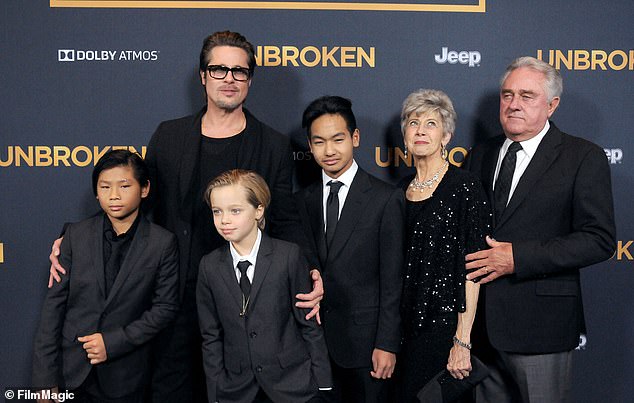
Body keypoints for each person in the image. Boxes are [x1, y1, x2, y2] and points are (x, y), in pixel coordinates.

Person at [47, 31, 323, 402]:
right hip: (171, 293)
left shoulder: (272, 144)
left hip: (244, 296)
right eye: (219, 69)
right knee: (171, 389)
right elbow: (137, 203)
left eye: (239, 71)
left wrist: (310, 270)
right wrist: (71, 238)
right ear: (203, 76)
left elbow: (286, 218)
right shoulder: (169, 135)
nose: (229, 78)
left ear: (250, 80)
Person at [463, 56, 616, 403]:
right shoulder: (481, 154)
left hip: (542, 329)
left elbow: (599, 239)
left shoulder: (582, 156)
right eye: (507, 95)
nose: (513, 104)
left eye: (526, 96)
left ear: (552, 105)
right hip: (481, 330)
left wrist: (517, 257)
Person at [32, 150, 179, 403]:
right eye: (105, 186)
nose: (114, 195)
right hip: (71, 373)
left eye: (124, 186)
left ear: (144, 189)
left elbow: (164, 308)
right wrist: (45, 381)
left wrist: (113, 343)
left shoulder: (162, 243)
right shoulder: (75, 236)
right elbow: (52, 310)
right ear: (96, 191)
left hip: (126, 376)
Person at [295, 96, 404, 402]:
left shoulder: (384, 198)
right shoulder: (302, 200)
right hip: (313, 345)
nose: (329, 151)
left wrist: (387, 343)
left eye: (337, 139)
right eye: (319, 142)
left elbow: (393, 279)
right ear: (310, 145)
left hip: (366, 346)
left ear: (355, 138)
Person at [197, 169, 332, 403]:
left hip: (292, 385)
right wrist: (216, 391)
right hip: (236, 390)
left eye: (235, 210)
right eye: (217, 212)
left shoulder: (288, 256)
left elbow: (309, 325)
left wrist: (323, 384)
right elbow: (211, 335)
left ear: (259, 210)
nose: (224, 220)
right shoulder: (209, 266)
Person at [394, 89, 491, 402]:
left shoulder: (464, 186)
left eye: (431, 124)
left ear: (447, 136)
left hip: (444, 330)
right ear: (404, 134)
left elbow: (474, 268)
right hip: (400, 332)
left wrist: (462, 341)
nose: (420, 130)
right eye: (413, 123)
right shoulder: (397, 191)